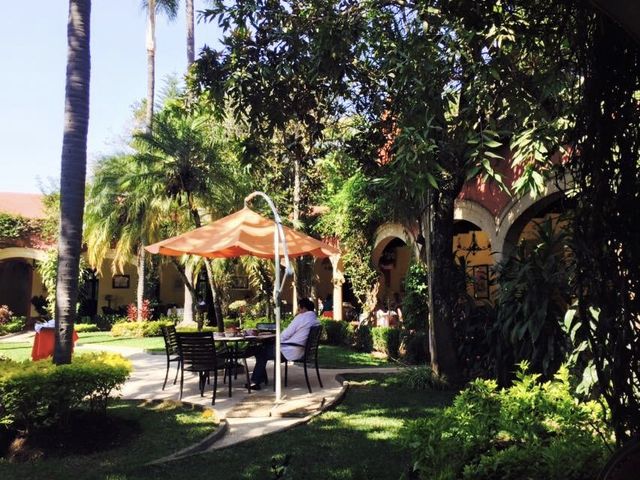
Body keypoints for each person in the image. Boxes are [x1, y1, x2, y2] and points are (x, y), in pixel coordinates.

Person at [248, 298, 320, 390]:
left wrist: (276, 339)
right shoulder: (315, 320)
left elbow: (287, 334)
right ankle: (259, 378)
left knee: (260, 351)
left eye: (299, 309)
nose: (298, 311)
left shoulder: (301, 318)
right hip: (300, 351)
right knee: (263, 349)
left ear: (304, 309)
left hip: (289, 351)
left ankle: (255, 381)